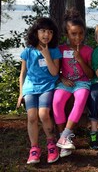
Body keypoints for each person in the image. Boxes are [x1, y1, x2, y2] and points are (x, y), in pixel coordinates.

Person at [17, 17, 61, 164]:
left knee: (43, 114)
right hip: (30, 87)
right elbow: (23, 73)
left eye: (50, 32)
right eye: (43, 31)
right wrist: (21, 93)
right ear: (36, 33)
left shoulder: (54, 51)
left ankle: (51, 144)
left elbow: (55, 73)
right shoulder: (28, 51)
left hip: (47, 86)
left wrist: (47, 56)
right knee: (31, 117)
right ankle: (34, 148)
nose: (46, 35)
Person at [52, 8, 94, 157]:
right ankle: (63, 141)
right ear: (66, 34)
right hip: (65, 82)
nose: (78, 37)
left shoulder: (88, 50)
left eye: (81, 33)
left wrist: (80, 59)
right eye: (73, 34)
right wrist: (62, 78)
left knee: (81, 98)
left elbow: (90, 74)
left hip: (82, 82)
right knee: (57, 101)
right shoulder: (60, 49)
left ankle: (65, 136)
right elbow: (56, 70)